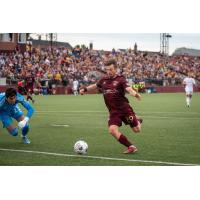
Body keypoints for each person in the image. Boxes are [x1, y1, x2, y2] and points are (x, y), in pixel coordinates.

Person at [80, 59, 143, 154]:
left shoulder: (121, 79)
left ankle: (138, 121)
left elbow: (128, 89)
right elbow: (95, 86)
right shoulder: (104, 80)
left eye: (111, 69)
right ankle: (131, 146)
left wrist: (135, 94)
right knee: (112, 130)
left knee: (136, 130)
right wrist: (85, 89)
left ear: (116, 69)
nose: (109, 71)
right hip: (113, 112)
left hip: (124, 109)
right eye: (107, 69)